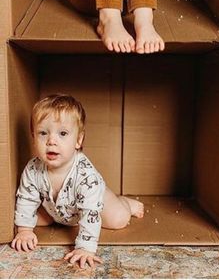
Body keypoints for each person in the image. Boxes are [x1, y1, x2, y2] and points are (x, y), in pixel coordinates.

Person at [11, 94, 144, 269]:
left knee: (118, 220)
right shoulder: (32, 169)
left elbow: (89, 214)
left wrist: (85, 248)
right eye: (43, 133)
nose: (51, 141)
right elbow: (27, 199)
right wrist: (25, 231)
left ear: (78, 140)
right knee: (29, 217)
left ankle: (124, 202)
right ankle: (51, 219)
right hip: (58, 209)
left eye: (63, 133)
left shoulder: (86, 176)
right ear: (33, 136)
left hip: (91, 203)